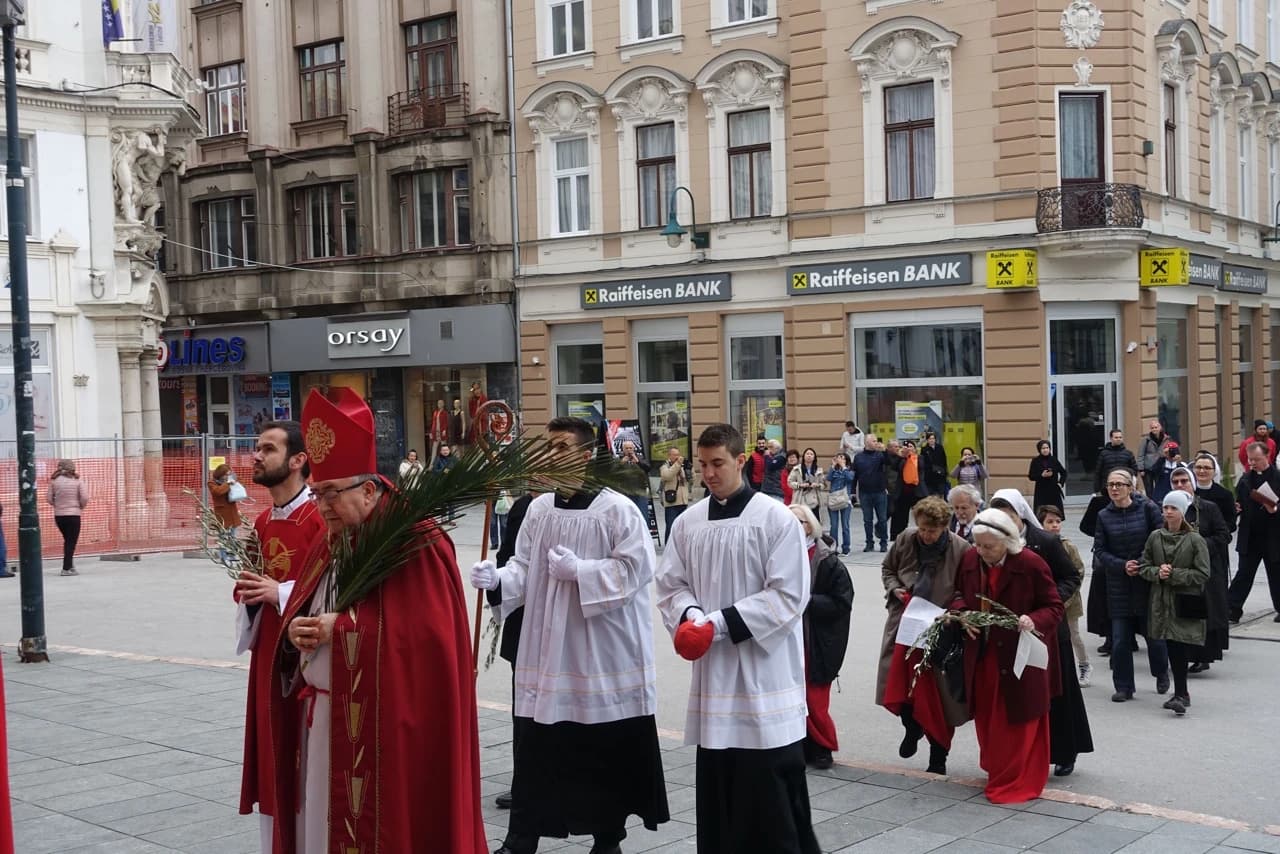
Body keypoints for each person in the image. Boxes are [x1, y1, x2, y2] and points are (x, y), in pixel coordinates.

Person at [270, 388, 486, 854]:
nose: (321, 505)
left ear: (369, 490)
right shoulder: (334, 536)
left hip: (391, 735)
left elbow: (430, 642)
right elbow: (305, 606)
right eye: (317, 493)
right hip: (322, 718)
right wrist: (295, 632)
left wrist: (342, 630)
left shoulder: (415, 539)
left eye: (330, 493)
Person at [470, 417, 669, 854]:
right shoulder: (539, 510)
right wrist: (497, 579)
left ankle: (606, 839)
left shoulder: (617, 510)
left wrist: (582, 571)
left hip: (599, 651)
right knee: (540, 747)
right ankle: (522, 838)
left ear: (585, 455)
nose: (551, 455)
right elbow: (523, 567)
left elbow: (637, 570)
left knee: (600, 750)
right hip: (547, 650)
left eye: (560, 447)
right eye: (549, 446)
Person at [655, 423, 819, 854]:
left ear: (740, 461)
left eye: (718, 464)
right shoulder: (689, 522)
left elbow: (788, 594)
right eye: (702, 465)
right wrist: (690, 617)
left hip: (763, 671)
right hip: (714, 673)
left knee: (768, 783)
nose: (708, 474)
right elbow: (671, 583)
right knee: (720, 777)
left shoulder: (775, 518)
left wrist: (719, 624)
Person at [233, 421, 325, 854]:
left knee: (306, 763)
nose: (256, 456)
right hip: (268, 657)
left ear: (298, 460)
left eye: (267, 449)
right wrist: (250, 593)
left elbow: (335, 590)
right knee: (274, 758)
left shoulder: (321, 519)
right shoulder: (263, 520)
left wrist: (280, 591)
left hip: (308, 662)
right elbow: (252, 593)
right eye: (256, 448)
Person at [952, 509, 1063, 804]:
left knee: (1018, 719)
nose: (982, 551)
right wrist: (963, 614)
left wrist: (1032, 620)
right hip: (984, 656)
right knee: (989, 718)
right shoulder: (971, 560)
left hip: (1020, 659)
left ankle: (1015, 777)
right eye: (978, 545)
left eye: (989, 546)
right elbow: (957, 594)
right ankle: (997, 768)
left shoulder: (1030, 564)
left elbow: (1054, 607)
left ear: (1008, 542)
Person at [988, 490, 1093, 779]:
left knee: (1058, 692)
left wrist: (1050, 601)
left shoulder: (1044, 540)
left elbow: (1070, 575)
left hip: (1047, 627)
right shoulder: (996, 541)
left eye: (1008, 513)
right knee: (1024, 696)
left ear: (1020, 513)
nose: (1004, 520)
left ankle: (1065, 751)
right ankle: (1027, 752)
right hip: (1013, 629)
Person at [876, 496, 970, 776]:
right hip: (905, 624)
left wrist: (953, 611)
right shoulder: (906, 539)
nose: (927, 536)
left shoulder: (961, 549)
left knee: (941, 697)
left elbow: (965, 590)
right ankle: (911, 726)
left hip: (940, 628)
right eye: (923, 529)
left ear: (944, 527)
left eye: (933, 531)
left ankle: (938, 756)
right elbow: (888, 569)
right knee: (900, 685)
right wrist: (895, 589)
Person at [1093, 468, 1168, 701]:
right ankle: (1124, 686)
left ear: (1130, 487)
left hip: (1146, 583)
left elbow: (1162, 539)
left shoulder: (1147, 508)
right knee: (1120, 640)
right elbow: (1101, 551)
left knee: (1154, 637)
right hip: (1118, 585)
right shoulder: (1103, 515)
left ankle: (1161, 673)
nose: (1114, 489)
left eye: (1119, 484)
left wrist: (1144, 564)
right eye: (1110, 484)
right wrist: (1121, 565)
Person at [788, 503, 853, 771]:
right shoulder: (778, 555)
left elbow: (842, 602)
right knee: (792, 698)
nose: (793, 528)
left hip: (816, 640)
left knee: (814, 700)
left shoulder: (828, 561)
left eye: (799, 522)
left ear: (810, 526)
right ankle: (801, 746)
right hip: (789, 639)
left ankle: (823, 746)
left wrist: (806, 602)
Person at [1139, 490, 1211, 716]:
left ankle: (1181, 693)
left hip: (1183, 600)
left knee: (1180, 644)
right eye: (1166, 508)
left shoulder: (1195, 540)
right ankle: (1181, 693)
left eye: (1174, 509)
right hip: (1160, 600)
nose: (1168, 512)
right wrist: (1157, 572)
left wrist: (1174, 575)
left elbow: (1203, 573)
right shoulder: (1155, 537)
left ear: (1182, 512)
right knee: (1170, 644)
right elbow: (1144, 566)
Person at [487, 487, 536, 811]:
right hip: (526, 620)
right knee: (525, 710)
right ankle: (525, 782)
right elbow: (508, 557)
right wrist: (495, 580)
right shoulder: (525, 508)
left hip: (570, 625)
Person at [1168, 466, 1231, 671]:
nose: (1180, 485)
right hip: (1180, 571)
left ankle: (1204, 656)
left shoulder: (1208, 507)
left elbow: (1224, 535)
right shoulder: (1169, 508)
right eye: (1176, 482)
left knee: (1207, 612)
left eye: (1184, 481)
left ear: (1192, 483)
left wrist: (1199, 545)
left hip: (1207, 569)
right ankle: (1185, 655)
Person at [1036, 505, 1091, 689]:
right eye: (1050, 522)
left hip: (1069, 601)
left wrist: (1065, 598)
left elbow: (1078, 572)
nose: (1055, 525)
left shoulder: (1068, 545)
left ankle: (1084, 665)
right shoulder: (1038, 545)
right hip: (1047, 603)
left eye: (1058, 522)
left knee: (1074, 636)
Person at [1229, 442, 1280, 623]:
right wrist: (1237, 508)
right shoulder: (1245, 479)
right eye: (1250, 460)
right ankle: (1232, 609)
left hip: (1274, 535)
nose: (1252, 463)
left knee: (1276, 574)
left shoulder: (1278, 477)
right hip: (1250, 536)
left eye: (1256, 460)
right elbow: (1239, 502)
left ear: (1267, 456)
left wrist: (1275, 509)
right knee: (1244, 573)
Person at [48, 460, 89, 577]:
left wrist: (58, 505)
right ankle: (66, 568)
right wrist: (81, 505)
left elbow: (49, 499)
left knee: (68, 541)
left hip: (59, 516)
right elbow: (85, 497)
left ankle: (70, 565)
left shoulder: (54, 481)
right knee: (71, 542)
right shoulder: (77, 481)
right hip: (74, 515)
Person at [852, 435, 889, 552]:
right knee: (867, 520)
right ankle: (869, 543)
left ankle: (884, 542)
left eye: (876, 441)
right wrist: (852, 492)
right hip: (865, 492)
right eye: (874, 441)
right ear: (867, 443)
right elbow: (855, 476)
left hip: (880, 491)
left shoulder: (880, 455)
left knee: (882, 519)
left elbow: (889, 463)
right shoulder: (858, 457)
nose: (876, 443)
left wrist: (885, 451)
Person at [889, 441, 921, 539]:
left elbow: (922, 468)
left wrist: (912, 456)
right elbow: (894, 467)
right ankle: (898, 535)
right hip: (903, 492)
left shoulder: (919, 458)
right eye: (907, 447)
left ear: (915, 449)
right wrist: (902, 456)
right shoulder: (901, 459)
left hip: (917, 491)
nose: (909, 448)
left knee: (921, 514)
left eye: (911, 447)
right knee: (900, 515)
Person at [618, 439, 653, 525]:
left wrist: (638, 462)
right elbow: (612, 472)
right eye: (627, 448)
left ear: (634, 449)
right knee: (627, 517)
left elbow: (648, 468)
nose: (629, 450)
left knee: (643, 516)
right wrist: (621, 463)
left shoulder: (640, 457)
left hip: (640, 491)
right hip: (625, 492)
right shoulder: (619, 459)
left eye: (630, 448)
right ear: (623, 449)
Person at [1093, 429, 1139, 496]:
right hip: (1107, 487)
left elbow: (1134, 470)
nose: (1118, 439)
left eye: (1120, 437)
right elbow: (1098, 472)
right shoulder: (1103, 454)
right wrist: (1097, 489)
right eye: (1116, 437)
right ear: (1111, 438)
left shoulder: (1128, 453)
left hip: (1123, 486)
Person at [659, 447, 689, 545]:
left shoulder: (681, 466)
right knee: (671, 526)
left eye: (678, 454)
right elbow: (667, 475)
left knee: (682, 527)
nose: (677, 457)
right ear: (669, 455)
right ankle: (668, 546)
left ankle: (680, 547)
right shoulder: (665, 466)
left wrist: (689, 469)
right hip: (671, 501)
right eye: (674, 455)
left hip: (683, 501)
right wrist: (678, 464)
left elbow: (690, 480)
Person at [1027, 440, 1067, 515]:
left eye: (1047, 448)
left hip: (1053, 491)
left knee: (1055, 514)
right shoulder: (1035, 461)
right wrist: (1041, 475)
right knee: (1042, 514)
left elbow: (1063, 472)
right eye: (1043, 448)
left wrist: (1060, 483)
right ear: (1039, 449)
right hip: (1041, 491)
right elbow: (1031, 476)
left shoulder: (1053, 460)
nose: (1045, 450)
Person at [826, 453, 855, 555]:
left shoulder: (849, 470)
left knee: (845, 525)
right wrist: (833, 466)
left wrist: (843, 467)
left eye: (842, 457)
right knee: (834, 525)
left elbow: (850, 478)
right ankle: (834, 548)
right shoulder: (834, 470)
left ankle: (846, 548)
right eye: (838, 457)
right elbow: (828, 478)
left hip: (845, 499)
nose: (840, 459)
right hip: (834, 499)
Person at [788, 448, 824, 520]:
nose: (809, 456)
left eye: (811, 454)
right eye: (807, 454)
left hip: (814, 499)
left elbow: (823, 484)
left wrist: (817, 485)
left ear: (814, 457)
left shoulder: (818, 470)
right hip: (800, 498)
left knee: (815, 522)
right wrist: (800, 485)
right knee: (802, 521)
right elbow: (790, 482)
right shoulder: (797, 469)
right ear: (804, 456)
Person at [1139, 419, 1167, 496]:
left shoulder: (1166, 439)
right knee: (1149, 491)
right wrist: (1141, 469)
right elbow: (1141, 454)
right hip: (1148, 468)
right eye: (1152, 428)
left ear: (1160, 427)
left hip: (1160, 467)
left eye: (1156, 427)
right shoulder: (1146, 440)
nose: (1154, 429)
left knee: (1160, 488)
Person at [919, 431, 949, 497]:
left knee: (941, 494)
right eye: (930, 439)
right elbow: (923, 462)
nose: (932, 440)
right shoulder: (924, 449)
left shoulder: (940, 447)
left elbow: (944, 460)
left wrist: (945, 472)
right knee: (931, 495)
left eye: (933, 438)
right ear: (927, 440)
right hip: (930, 476)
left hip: (940, 475)